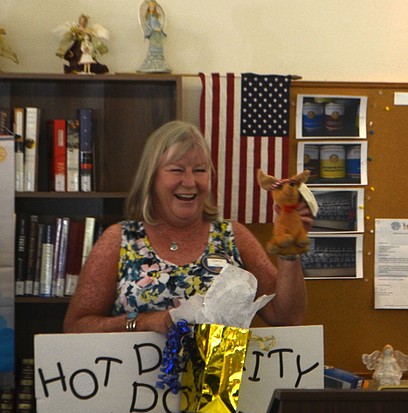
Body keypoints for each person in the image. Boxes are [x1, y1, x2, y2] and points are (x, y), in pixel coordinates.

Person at [63, 120, 313, 334]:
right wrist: (144, 323)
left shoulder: (233, 236)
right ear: (152, 177)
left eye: (200, 170)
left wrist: (290, 251)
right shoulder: (119, 239)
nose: (190, 182)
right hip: (134, 388)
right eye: (177, 170)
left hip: (220, 388)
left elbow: (286, 317)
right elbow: (76, 326)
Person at [137, 0, 172, 73]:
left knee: (158, 49)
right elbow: (151, 26)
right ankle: (152, 65)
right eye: (150, 7)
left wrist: (159, 28)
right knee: (153, 49)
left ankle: (159, 65)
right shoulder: (150, 17)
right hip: (153, 34)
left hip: (157, 35)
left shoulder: (155, 16)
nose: (151, 8)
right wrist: (154, 29)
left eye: (153, 7)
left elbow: (158, 24)